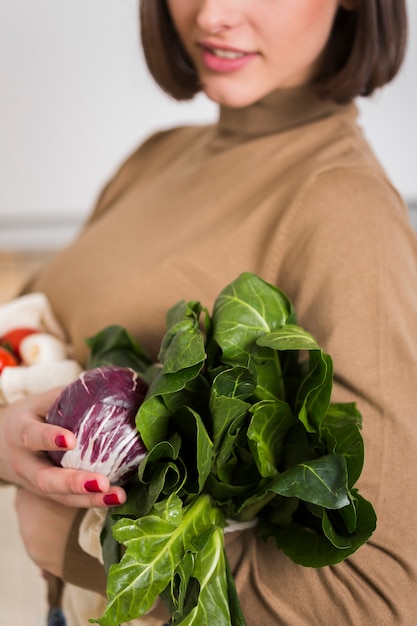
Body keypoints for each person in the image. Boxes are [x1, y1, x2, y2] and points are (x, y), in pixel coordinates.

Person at [1, 0, 417, 623]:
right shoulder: (158, 155)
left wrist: (74, 546)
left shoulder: (345, 211)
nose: (213, 14)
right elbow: (35, 328)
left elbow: (378, 596)